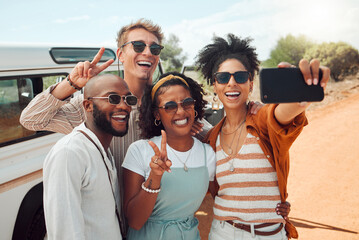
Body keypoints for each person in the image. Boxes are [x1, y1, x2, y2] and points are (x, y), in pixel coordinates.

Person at [195, 34, 330, 239]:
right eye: (223, 77)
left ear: (250, 83)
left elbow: (282, 114)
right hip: (222, 233)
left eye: (240, 77)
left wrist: (299, 99)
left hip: (269, 234)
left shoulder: (263, 120)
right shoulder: (211, 138)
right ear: (214, 85)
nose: (231, 82)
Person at [121, 72, 216, 240]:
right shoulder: (140, 150)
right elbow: (135, 221)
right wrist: (155, 175)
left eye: (187, 103)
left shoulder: (207, 154)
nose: (180, 111)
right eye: (170, 106)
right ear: (157, 114)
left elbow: (222, 198)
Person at [43, 74, 138, 239]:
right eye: (113, 98)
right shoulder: (69, 153)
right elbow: (65, 231)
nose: (124, 106)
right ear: (88, 105)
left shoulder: (101, 150)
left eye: (128, 99)